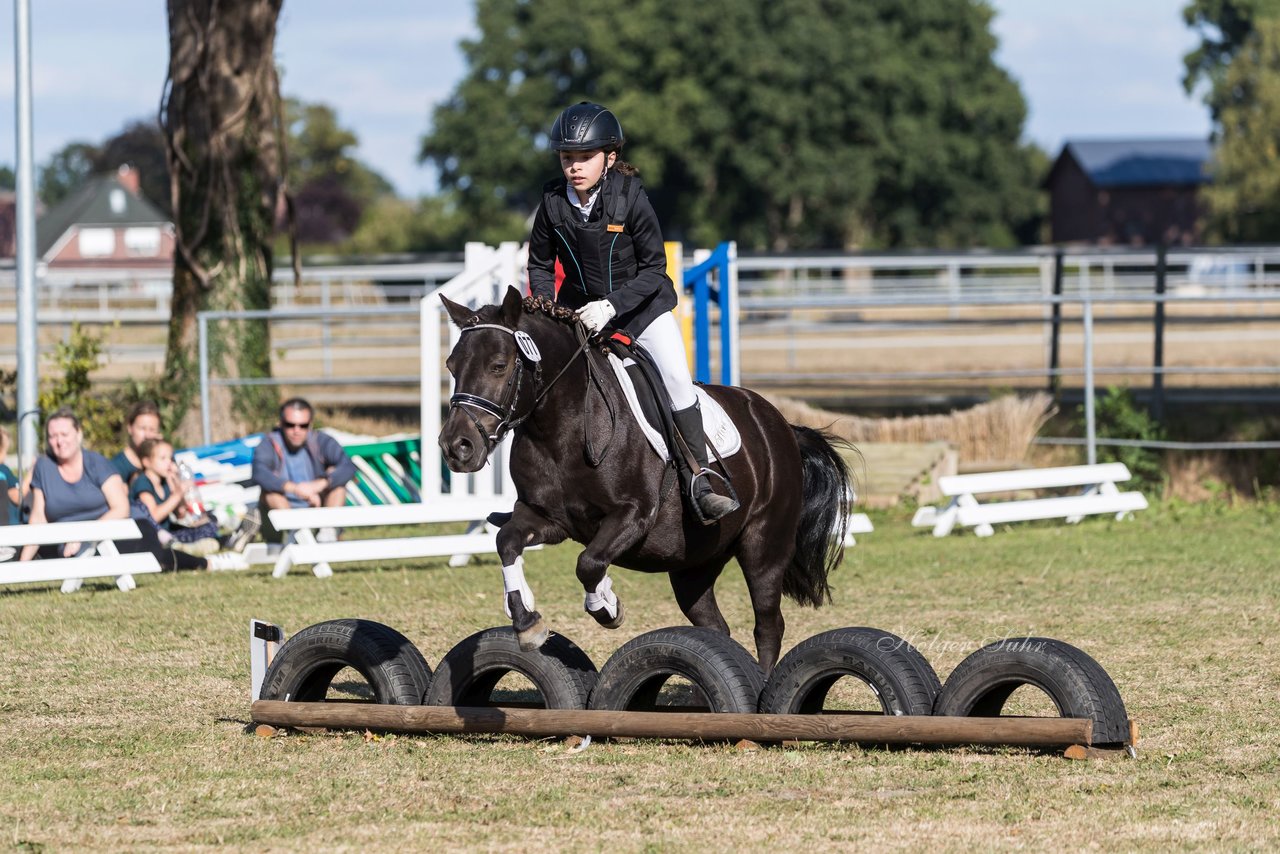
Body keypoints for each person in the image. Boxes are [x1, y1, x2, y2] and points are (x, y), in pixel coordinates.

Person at [527, 101, 738, 522]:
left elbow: (654, 270)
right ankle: (541, 486)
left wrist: (611, 305)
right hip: (579, 313)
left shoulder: (631, 198)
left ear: (610, 157)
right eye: (567, 157)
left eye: (584, 157)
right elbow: (539, 263)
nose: (574, 166)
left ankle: (700, 477)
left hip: (641, 308)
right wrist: (549, 309)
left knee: (677, 378)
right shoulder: (551, 202)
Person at [19, 408, 244, 571]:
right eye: (52, 436)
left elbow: (121, 507)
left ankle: (208, 563)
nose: (59, 441)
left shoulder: (97, 463)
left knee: (153, 555)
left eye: (64, 434)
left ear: (78, 434)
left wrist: (85, 536)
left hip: (112, 531)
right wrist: (22, 566)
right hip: (67, 542)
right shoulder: (44, 466)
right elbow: (38, 517)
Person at [250, 398, 354, 543]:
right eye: (290, 425)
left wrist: (319, 484)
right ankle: (294, 533)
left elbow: (348, 467)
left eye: (302, 425)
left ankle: (328, 532)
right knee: (270, 493)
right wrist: (295, 489)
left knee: (338, 486)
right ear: (280, 424)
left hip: (317, 505)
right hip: (283, 508)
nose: (296, 431)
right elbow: (259, 473)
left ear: (310, 425)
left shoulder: (322, 441)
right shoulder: (269, 443)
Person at [130, 438, 223, 556]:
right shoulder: (143, 482)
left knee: (210, 523)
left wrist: (176, 482)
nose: (169, 462)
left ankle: (190, 546)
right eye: (163, 458)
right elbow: (154, 516)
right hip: (154, 535)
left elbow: (181, 513)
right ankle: (185, 548)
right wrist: (178, 494)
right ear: (146, 462)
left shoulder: (165, 482)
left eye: (170, 458)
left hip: (169, 531)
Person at [111, 400, 163, 484]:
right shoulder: (117, 467)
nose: (147, 435)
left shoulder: (165, 463)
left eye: (152, 430)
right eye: (142, 428)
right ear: (130, 428)